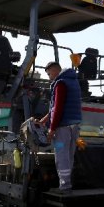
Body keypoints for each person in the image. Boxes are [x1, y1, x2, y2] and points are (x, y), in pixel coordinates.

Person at [36, 61, 82, 193]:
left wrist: (52, 128)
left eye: (49, 73)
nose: (49, 77)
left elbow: (58, 108)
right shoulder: (73, 81)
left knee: (61, 157)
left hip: (62, 129)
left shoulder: (60, 83)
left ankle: (65, 187)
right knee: (69, 156)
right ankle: (67, 184)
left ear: (54, 70)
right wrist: (44, 120)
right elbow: (57, 107)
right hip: (74, 127)